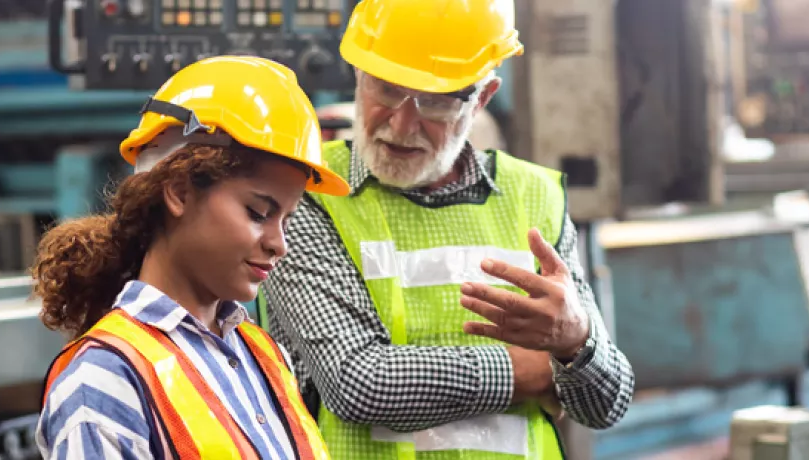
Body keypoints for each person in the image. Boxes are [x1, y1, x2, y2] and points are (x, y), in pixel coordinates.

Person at [258, 0, 636, 458]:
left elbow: (607, 404)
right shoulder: (311, 192)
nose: (401, 123)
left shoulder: (535, 196)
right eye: (386, 88)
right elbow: (359, 382)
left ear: (482, 98)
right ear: (357, 72)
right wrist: (536, 370)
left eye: (435, 100)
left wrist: (576, 342)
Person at [32, 55, 349, 460]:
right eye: (258, 213)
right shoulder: (104, 383)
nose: (279, 244)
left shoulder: (263, 354)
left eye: (286, 219)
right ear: (179, 192)